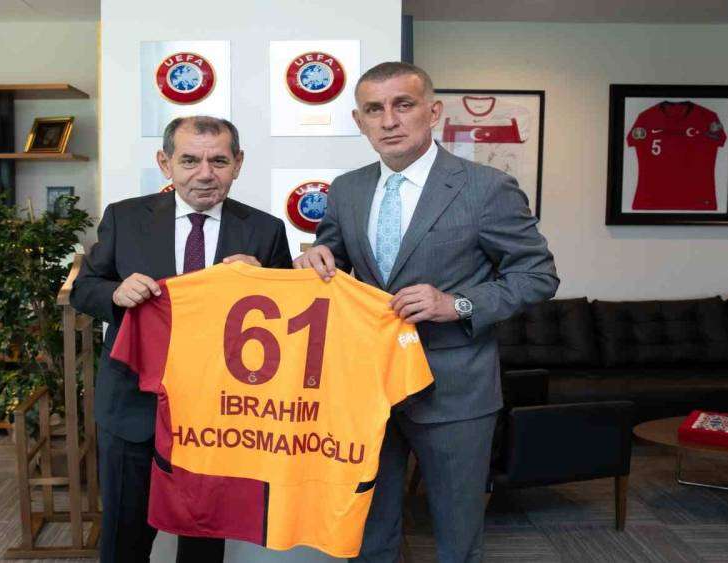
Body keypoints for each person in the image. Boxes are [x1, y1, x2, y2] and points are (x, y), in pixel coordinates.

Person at [295, 62, 558, 562]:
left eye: (403, 105)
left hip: (453, 389)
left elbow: (538, 275)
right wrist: (314, 260)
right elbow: (334, 263)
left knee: (457, 534)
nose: (389, 120)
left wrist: (456, 304)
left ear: (433, 112)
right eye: (374, 109)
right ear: (359, 121)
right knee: (368, 530)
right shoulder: (347, 189)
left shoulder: (486, 187)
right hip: (368, 389)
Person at [71, 115, 292, 563]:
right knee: (124, 537)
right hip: (133, 404)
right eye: (190, 160)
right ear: (165, 163)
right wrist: (115, 293)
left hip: (220, 414)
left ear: (238, 164)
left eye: (219, 161)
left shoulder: (264, 230)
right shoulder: (124, 217)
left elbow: (288, 322)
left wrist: (265, 284)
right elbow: (84, 289)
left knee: (204, 540)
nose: (205, 174)